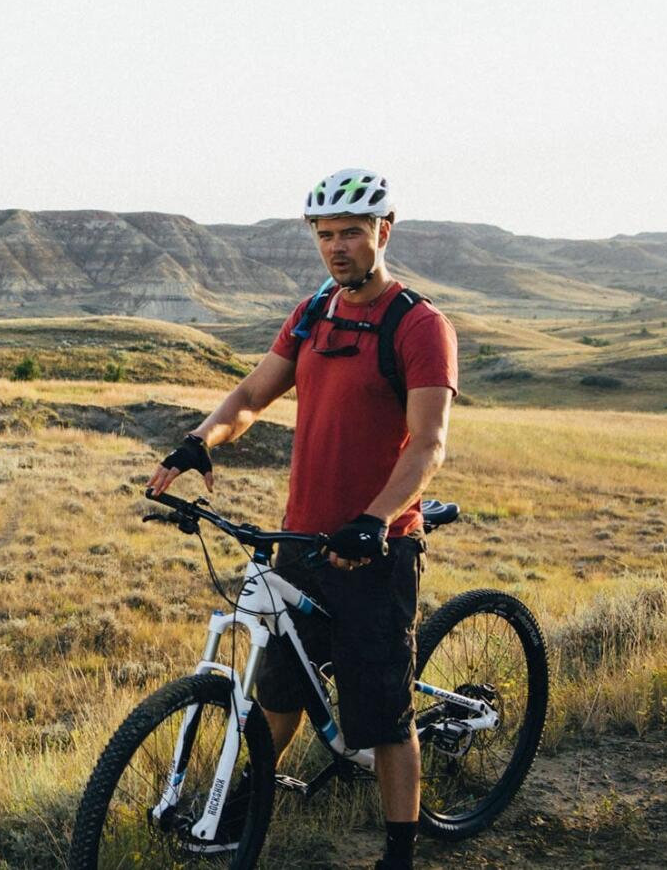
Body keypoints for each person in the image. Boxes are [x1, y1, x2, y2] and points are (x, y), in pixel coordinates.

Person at [148, 168, 457, 870]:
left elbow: (429, 445)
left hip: (377, 551)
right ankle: (248, 799)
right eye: (325, 234)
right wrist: (201, 439)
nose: (338, 246)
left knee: (382, 716)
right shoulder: (316, 310)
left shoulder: (419, 325)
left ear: (385, 229)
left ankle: (400, 851)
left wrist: (376, 519)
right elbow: (254, 392)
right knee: (279, 689)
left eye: (352, 231)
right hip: (303, 543)